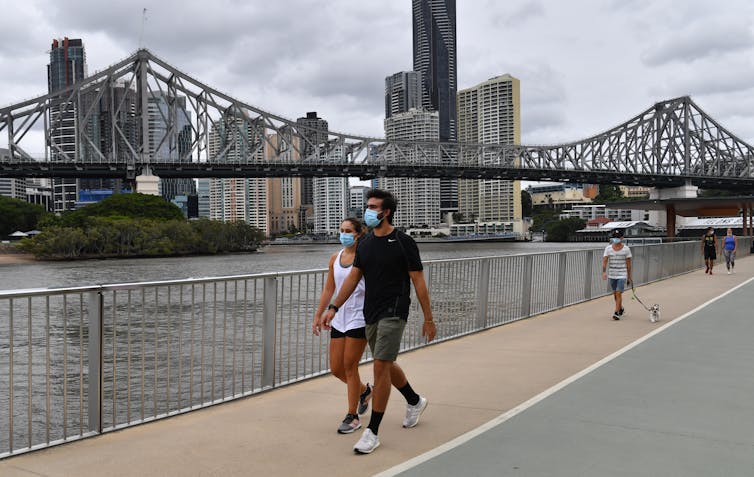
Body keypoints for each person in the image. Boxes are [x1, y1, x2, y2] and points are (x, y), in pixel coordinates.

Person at [320, 189, 437, 455]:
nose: (368, 211)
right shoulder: (366, 244)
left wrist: (428, 318)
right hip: (370, 312)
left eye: (373, 207)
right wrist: (334, 307)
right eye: (367, 206)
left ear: (386, 212)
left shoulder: (403, 242)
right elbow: (353, 277)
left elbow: (418, 280)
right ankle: (414, 400)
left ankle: (372, 431)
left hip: (394, 311)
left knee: (380, 366)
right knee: (386, 363)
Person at [312, 218, 372, 434]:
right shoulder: (335, 258)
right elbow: (329, 290)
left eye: (348, 231)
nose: (344, 234)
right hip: (338, 317)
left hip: (359, 316)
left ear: (358, 234)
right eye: (341, 230)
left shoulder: (365, 257)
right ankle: (364, 392)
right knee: (336, 369)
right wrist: (319, 315)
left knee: (349, 365)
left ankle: (352, 415)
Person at [602, 228, 632, 320]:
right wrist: (604, 272)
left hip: (622, 274)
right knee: (615, 293)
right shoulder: (608, 248)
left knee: (619, 293)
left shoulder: (626, 249)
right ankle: (620, 308)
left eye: (618, 237)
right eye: (614, 237)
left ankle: (616, 312)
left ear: (622, 238)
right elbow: (605, 261)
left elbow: (628, 264)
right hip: (612, 274)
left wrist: (629, 277)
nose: (616, 239)